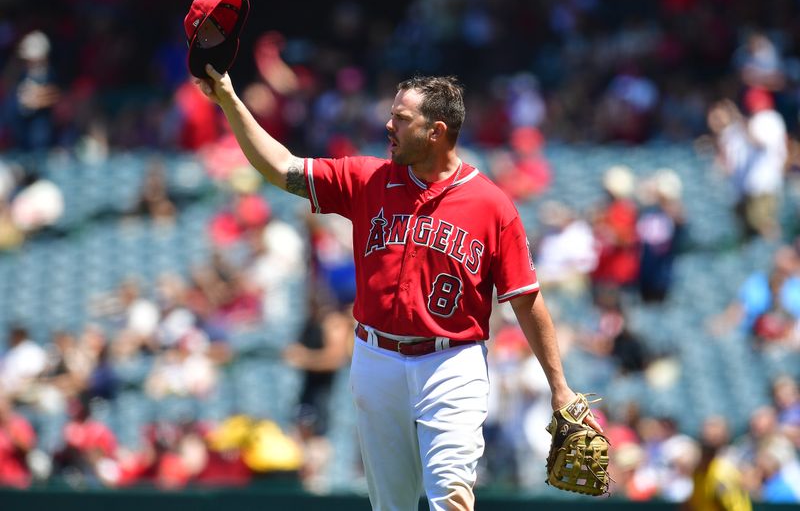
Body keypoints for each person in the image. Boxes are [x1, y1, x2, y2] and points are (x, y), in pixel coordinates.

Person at [195, 64, 600, 510]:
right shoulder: (369, 178)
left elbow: (526, 300)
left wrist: (559, 386)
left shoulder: (491, 205)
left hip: (451, 363)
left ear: (436, 131)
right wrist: (229, 100)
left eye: (402, 119)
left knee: (451, 498)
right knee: (392, 506)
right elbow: (281, 167)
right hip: (375, 358)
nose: (388, 125)